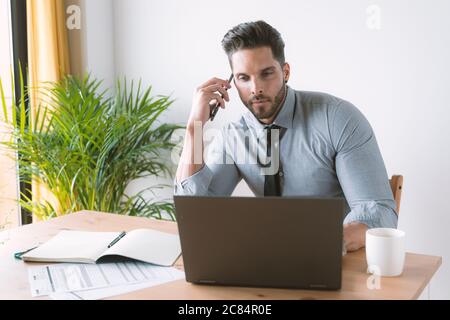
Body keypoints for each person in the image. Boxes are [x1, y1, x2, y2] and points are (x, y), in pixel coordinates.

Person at [174, 20, 397, 252]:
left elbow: (378, 212)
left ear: (286, 72)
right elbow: (195, 217)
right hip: (266, 263)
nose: (255, 88)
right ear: (232, 82)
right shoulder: (234, 137)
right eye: (243, 78)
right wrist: (194, 127)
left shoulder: (337, 118)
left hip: (335, 260)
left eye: (266, 73)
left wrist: (321, 245)